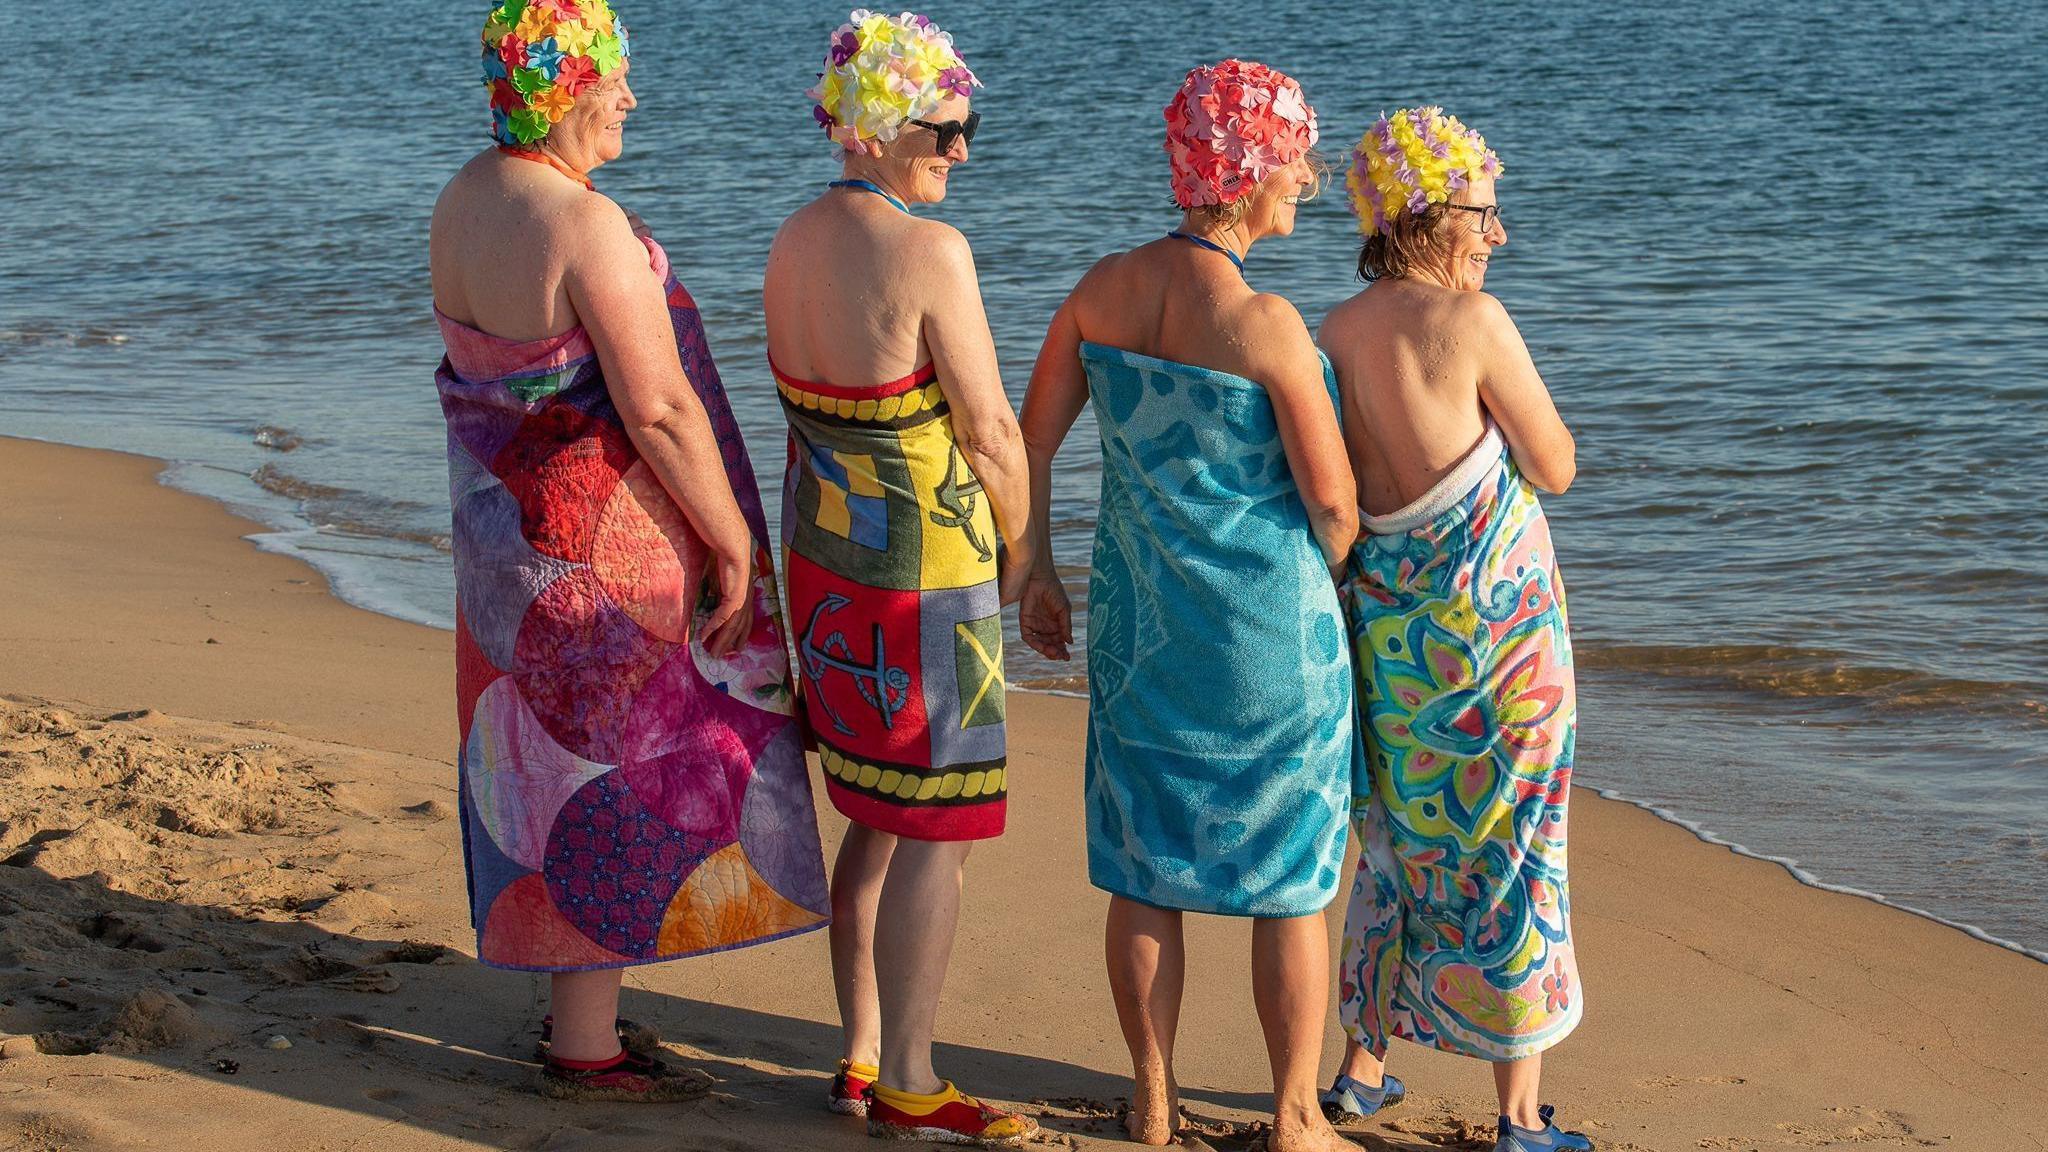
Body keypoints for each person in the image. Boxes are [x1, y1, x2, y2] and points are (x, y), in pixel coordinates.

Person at [430, 0, 830, 1103]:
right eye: (615, 77)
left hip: (504, 549)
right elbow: (657, 409)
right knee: (626, 773)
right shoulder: (582, 224)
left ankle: (584, 1036)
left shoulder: (463, 198)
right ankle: (585, 1048)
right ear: (566, 89)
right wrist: (732, 540)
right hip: (598, 549)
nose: (632, 98)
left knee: (558, 778)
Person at [1016, 60, 1360, 1152]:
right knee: (1290, 878)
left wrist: (1036, 568)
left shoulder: (1100, 290)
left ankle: (1152, 1097)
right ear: (1248, 174)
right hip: (1265, 634)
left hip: (1137, 625)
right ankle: (1295, 1113)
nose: (1304, 177)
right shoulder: (1263, 323)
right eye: (1294, 157)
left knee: (1142, 860)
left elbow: (1026, 441)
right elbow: (1334, 502)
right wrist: (1348, 586)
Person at [763, 10, 1035, 1146]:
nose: (960, 152)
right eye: (944, 129)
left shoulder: (789, 239)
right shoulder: (930, 253)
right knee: (933, 828)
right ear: (874, 130)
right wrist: (1026, 557)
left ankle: (862, 1053)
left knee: (874, 815)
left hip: (825, 567)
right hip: (925, 572)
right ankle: (913, 1077)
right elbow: (989, 431)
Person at [1317, 107, 1589, 1152]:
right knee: (1516, 845)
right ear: (1430, 217)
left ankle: (1358, 1071)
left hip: (1394, 638)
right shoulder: (1471, 324)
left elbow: (1338, 494)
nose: (1497, 235)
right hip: (1501, 642)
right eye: (1483, 213)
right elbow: (1554, 465)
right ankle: (1518, 1114)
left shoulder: (1333, 332)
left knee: (1397, 842)